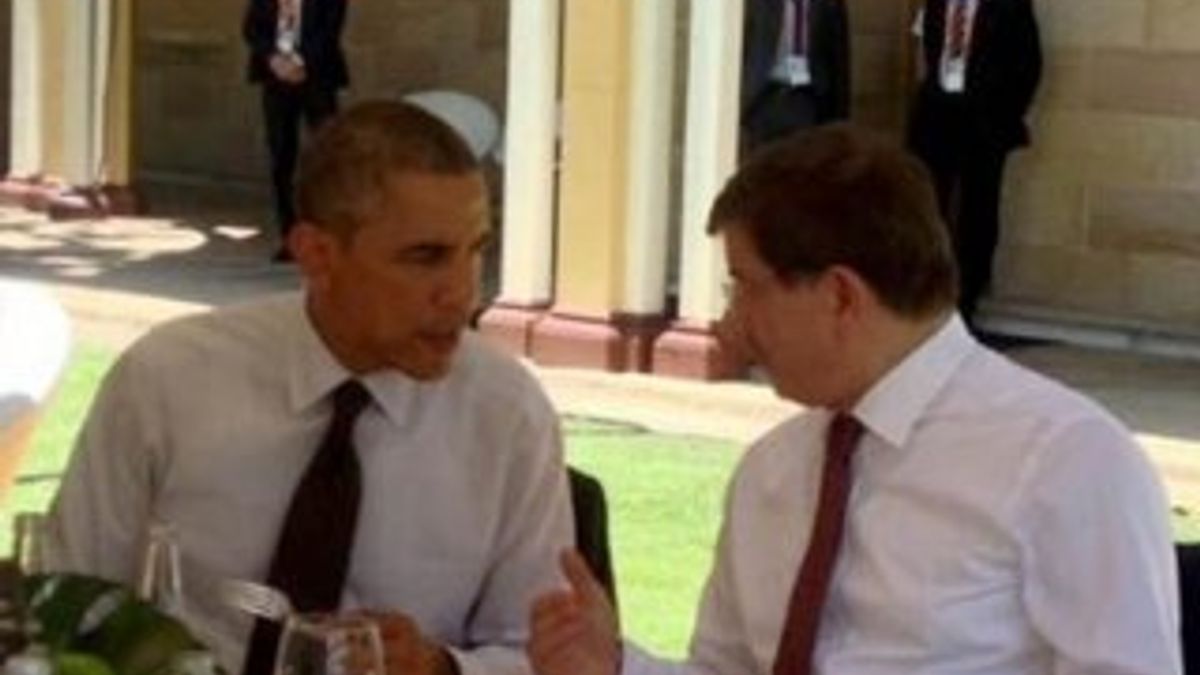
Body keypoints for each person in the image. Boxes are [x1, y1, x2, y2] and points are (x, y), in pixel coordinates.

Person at [528, 125, 1181, 675]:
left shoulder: (1067, 460)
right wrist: (616, 666)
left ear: (840, 295)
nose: (730, 325)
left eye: (745, 288)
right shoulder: (774, 469)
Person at [46, 101, 575, 675]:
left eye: (476, 251)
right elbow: (65, 602)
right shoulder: (170, 380)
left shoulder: (506, 416)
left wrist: (442, 667)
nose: (463, 292)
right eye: (426, 257)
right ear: (317, 254)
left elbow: (546, 657)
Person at [907, 0, 1042, 326]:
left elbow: (1029, 65)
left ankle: (967, 299)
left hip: (983, 122)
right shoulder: (936, 4)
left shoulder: (1010, 6)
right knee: (927, 208)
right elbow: (924, 51)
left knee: (978, 212)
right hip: (937, 116)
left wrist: (1004, 114)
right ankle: (926, 292)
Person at [243, 0, 349, 262]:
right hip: (275, 78)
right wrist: (274, 59)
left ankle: (328, 232)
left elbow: (329, 30)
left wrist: (299, 62)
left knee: (327, 156)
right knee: (281, 157)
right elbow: (252, 28)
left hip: (317, 78)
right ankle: (290, 237)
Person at [741, 0, 850, 152]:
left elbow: (839, 58)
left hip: (807, 99)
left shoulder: (828, 4)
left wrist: (840, 117)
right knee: (763, 159)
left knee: (803, 158)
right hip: (766, 96)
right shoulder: (758, 3)